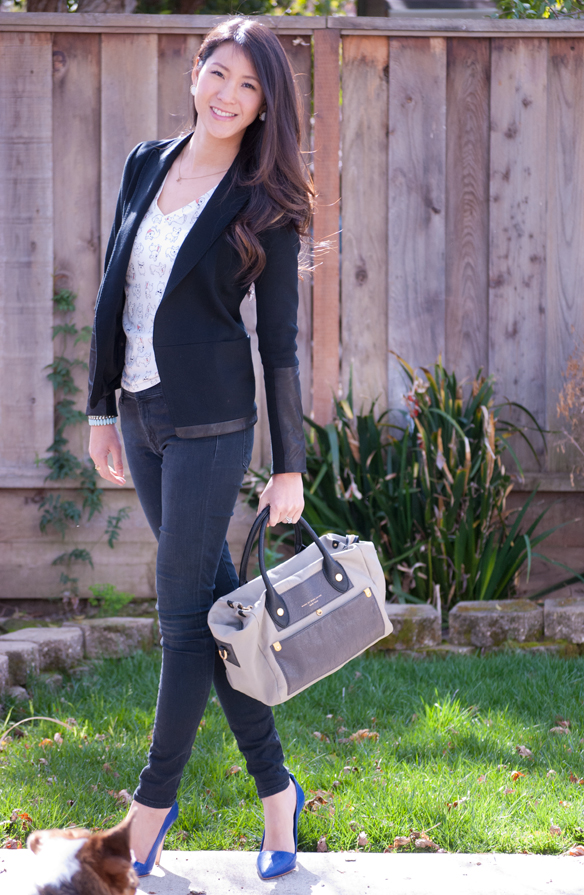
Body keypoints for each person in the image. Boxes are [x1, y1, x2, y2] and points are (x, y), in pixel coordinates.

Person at [86, 17, 312, 881]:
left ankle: (145, 819)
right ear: (195, 73)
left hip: (214, 424)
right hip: (140, 416)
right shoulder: (146, 161)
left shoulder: (269, 198)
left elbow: (281, 342)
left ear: (265, 106)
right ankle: (276, 791)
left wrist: (288, 465)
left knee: (181, 617)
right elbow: (115, 288)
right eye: (218, 75)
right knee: (216, 608)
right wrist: (102, 405)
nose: (227, 96)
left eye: (249, 87)